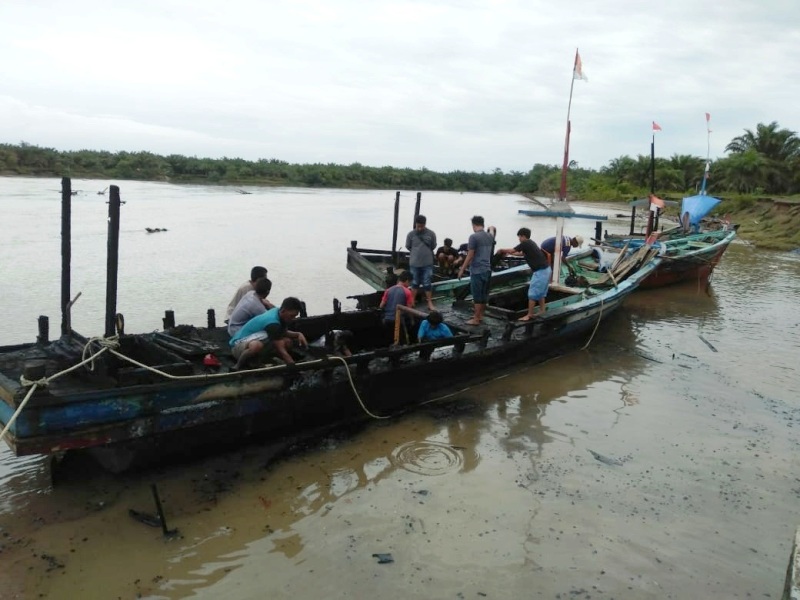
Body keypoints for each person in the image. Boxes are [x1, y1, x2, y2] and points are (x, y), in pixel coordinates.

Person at [228, 297, 308, 370]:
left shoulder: (278, 312)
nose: (293, 319)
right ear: (283, 311)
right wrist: (292, 365)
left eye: (295, 316)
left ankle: (261, 359)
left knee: (288, 342)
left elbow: (282, 332)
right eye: (291, 316)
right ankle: (238, 365)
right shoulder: (272, 322)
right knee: (256, 345)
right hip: (238, 346)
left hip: (257, 338)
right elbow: (280, 347)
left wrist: (298, 334)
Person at [497, 227, 551, 321]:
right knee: (541, 293)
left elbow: (512, 250)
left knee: (532, 293)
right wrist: (511, 254)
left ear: (523, 236)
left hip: (540, 272)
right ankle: (542, 310)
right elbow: (522, 254)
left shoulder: (525, 243)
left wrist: (502, 250)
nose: (519, 239)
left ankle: (529, 315)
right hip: (547, 270)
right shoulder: (531, 243)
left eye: (519, 237)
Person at [457, 215, 495, 326]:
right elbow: (492, 231)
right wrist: (491, 228)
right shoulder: (489, 236)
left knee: (477, 296)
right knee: (484, 294)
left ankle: (476, 320)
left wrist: (462, 269)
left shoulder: (473, 237)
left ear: (473, 225)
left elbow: (470, 255)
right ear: (482, 224)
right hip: (487, 269)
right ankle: (480, 316)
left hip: (477, 270)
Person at [405, 214, 437, 311]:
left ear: (425, 224)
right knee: (414, 282)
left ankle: (429, 302)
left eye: (421, 226)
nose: (419, 228)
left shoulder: (431, 234)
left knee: (427, 282)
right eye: (418, 226)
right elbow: (408, 246)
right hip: (414, 263)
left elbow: (433, 246)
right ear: (415, 224)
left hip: (427, 263)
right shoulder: (410, 234)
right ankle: (412, 301)